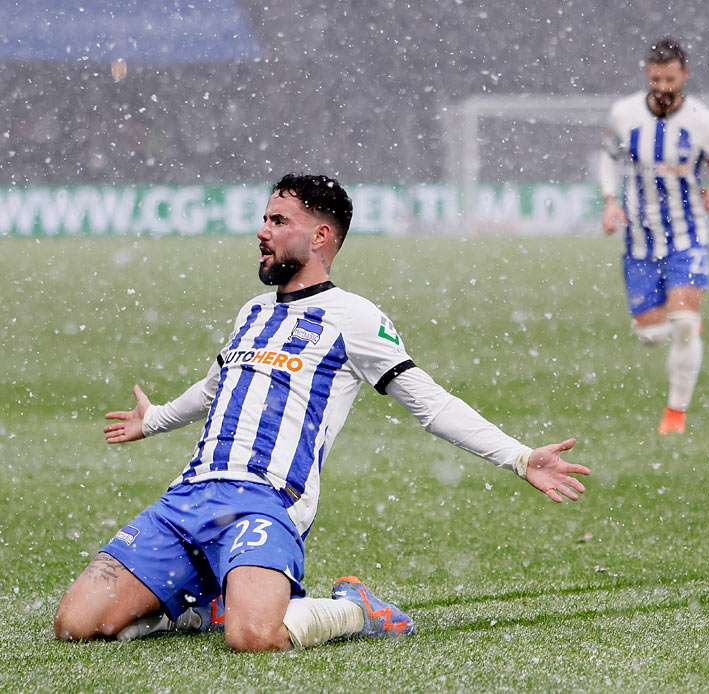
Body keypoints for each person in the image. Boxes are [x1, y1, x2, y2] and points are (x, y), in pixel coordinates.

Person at [53, 173, 590, 651]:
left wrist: (520, 458)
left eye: (278, 220)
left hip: (267, 503)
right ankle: (209, 601)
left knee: (253, 638)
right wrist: (157, 419)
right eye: (264, 218)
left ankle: (355, 609)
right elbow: (216, 386)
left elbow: (430, 403)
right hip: (191, 497)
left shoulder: (353, 317)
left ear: (320, 237)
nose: (262, 230)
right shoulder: (253, 312)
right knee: (76, 624)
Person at [598, 37, 709, 435]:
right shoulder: (624, 115)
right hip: (640, 239)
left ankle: (675, 415)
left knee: (682, 323)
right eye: (656, 78)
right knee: (650, 335)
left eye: (670, 79)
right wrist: (611, 202)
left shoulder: (703, 122)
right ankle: (681, 324)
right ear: (648, 75)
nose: (662, 87)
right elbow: (608, 159)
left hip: (687, 234)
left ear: (684, 76)